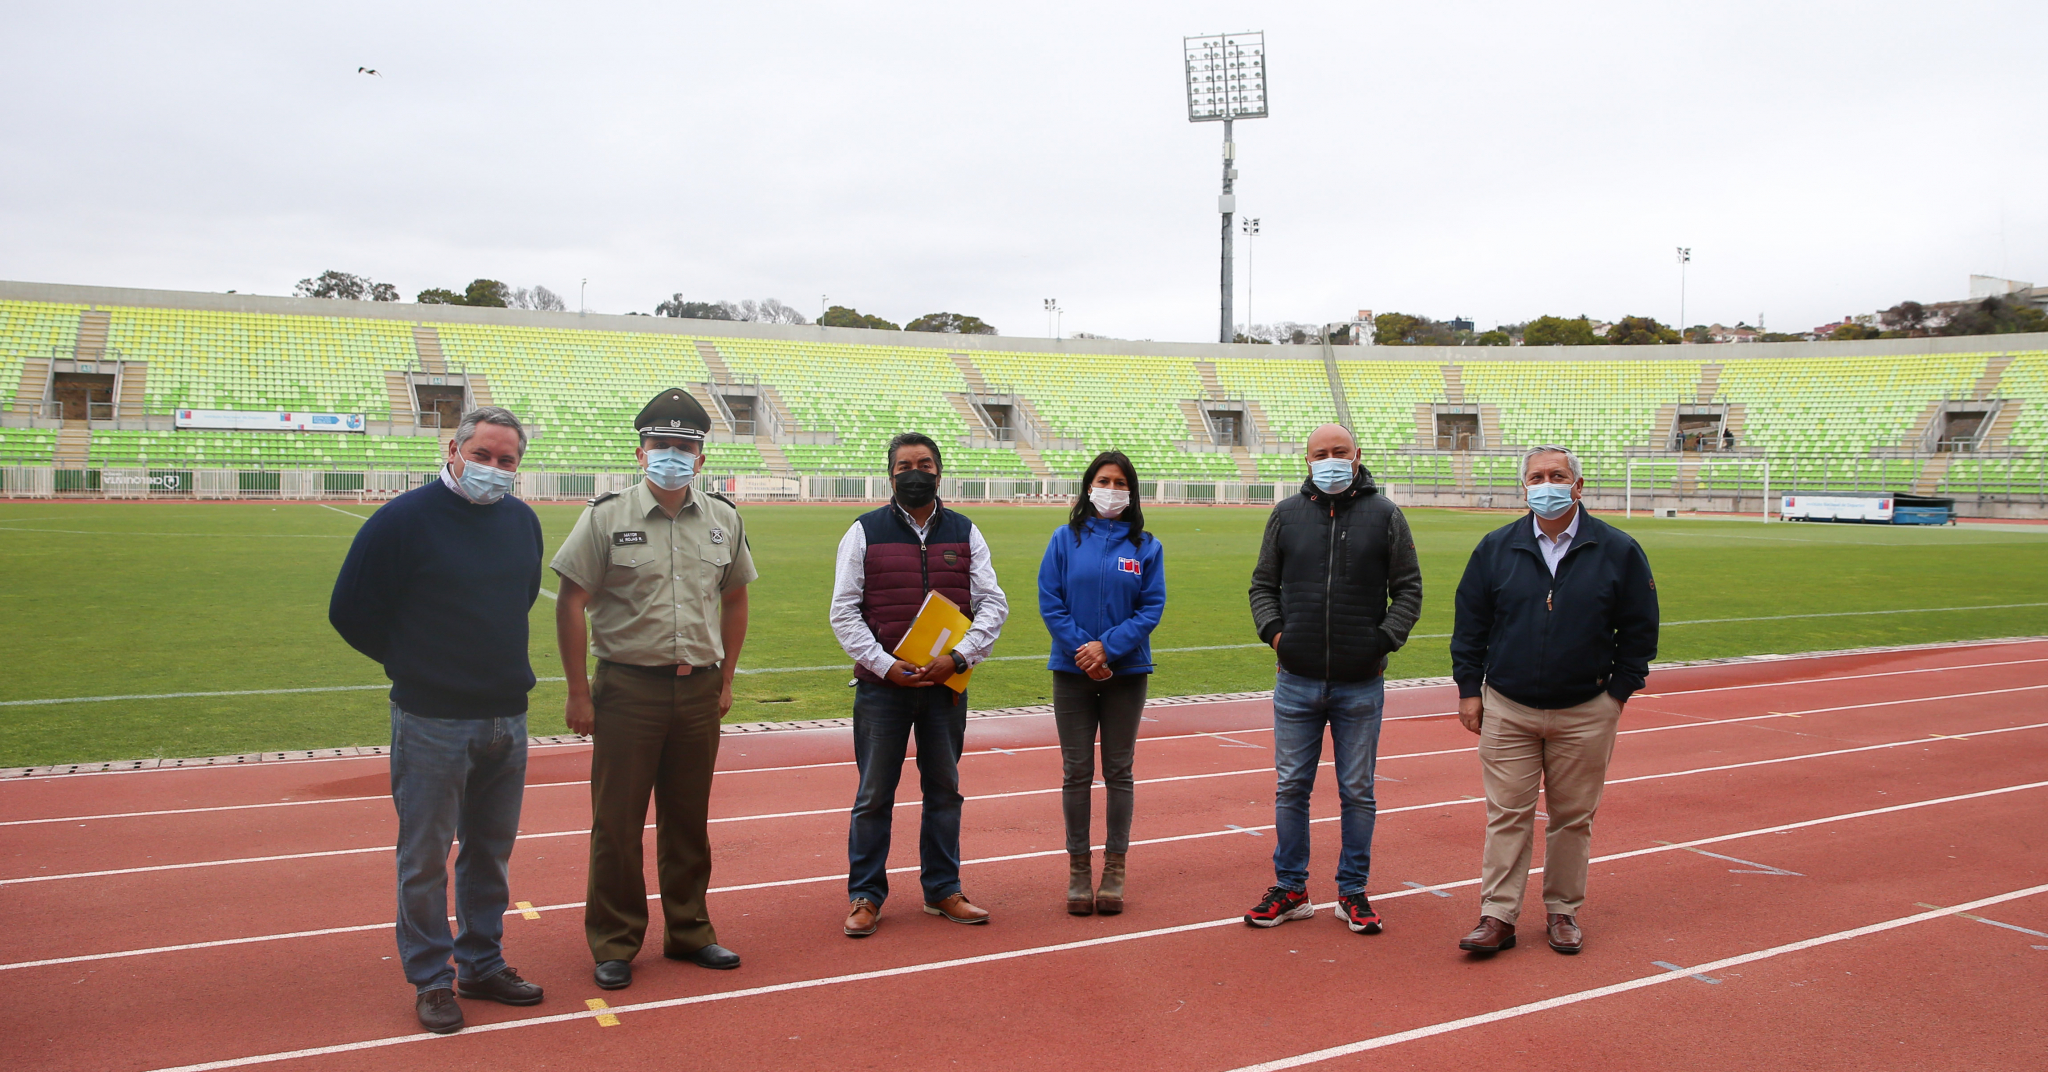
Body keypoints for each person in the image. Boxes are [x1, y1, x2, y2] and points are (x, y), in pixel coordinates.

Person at [328, 405, 546, 1034]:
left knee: (489, 853)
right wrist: (417, 663)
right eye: (483, 456)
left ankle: (482, 962)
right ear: (454, 450)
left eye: (508, 461)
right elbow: (350, 610)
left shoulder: (522, 522)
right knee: (424, 857)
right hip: (431, 719)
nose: (495, 469)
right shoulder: (402, 520)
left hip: (506, 715)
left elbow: (520, 598)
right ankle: (431, 978)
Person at [550, 389, 755, 991]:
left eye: (684, 446)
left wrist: (728, 677)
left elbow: (736, 597)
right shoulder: (605, 516)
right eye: (660, 445)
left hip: (698, 690)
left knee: (688, 819)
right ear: (641, 452)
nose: (672, 455)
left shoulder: (724, 518)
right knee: (616, 823)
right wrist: (577, 692)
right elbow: (570, 602)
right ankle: (614, 941)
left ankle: (691, 931)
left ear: (700, 455)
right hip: (627, 689)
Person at [1450, 445, 1659, 956]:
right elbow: (1470, 626)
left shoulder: (1617, 549)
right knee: (1507, 814)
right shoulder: (1495, 548)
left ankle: (1562, 911)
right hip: (1508, 707)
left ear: (1578, 486)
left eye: (1557, 475)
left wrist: (1615, 695)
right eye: (1537, 477)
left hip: (1586, 710)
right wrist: (1468, 690)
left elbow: (1639, 630)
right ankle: (1497, 915)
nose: (1547, 484)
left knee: (1572, 818)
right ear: (1525, 487)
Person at [1244, 424, 1423, 933]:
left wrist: (1380, 641)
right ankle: (1292, 888)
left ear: (1357, 456)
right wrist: (1278, 636)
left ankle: (1353, 892)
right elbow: (1262, 586)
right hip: (1295, 680)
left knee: (1357, 790)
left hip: (1360, 682)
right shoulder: (1285, 514)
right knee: (1291, 787)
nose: (1330, 460)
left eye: (1339, 452)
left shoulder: (1385, 514)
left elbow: (1408, 591)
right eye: (1320, 453)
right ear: (1306, 461)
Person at [830, 432, 1009, 937]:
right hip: (882, 689)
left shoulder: (966, 532)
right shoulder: (863, 532)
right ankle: (865, 896)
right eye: (905, 465)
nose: (916, 472)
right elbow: (843, 611)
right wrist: (883, 665)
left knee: (945, 791)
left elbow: (992, 603)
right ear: (891, 475)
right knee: (873, 795)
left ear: (939, 470)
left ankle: (943, 890)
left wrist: (958, 657)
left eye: (925, 464)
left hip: (943, 686)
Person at [1037, 451, 1165, 916]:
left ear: (1130, 492)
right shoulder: (1063, 539)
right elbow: (1050, 601)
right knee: (1075, 772)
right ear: (1088, 486)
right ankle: (1078, 869)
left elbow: (1151, 608)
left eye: (1119, 482)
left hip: (1126, 673)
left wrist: (1109, 648)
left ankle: (1115, 867)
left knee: (1119, 771)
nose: (1110, 489)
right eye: (1102, 480)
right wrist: (1084, 652)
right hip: (1071, 672)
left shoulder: (1146, 546)